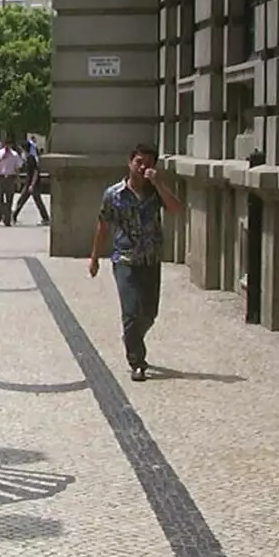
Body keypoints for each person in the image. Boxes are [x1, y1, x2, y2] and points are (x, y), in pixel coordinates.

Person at [89, 143, 184, 382]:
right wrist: (94, 258)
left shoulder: (156, 193)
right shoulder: (114, 194)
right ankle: (137, 361)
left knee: (149, 313)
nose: (143, 167)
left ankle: (132, 337)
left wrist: (159, 184)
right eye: (139, 162)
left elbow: (176, 209)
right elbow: (103, 226)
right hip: (125, 260)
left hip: (151, 259)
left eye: (148, 163)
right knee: (131, 311)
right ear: (130, 162)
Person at [14, 142, 51, 225]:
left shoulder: (31, 158)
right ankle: (13, 217)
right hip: (29, 183)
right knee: (22, 200)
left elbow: (35, 171)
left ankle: (46, 219)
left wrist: (32, 184)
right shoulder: (27, 158)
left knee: (37, 201)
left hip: (32, 184)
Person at [0, 136, 23, 226]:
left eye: (9, 144)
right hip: (0, 177)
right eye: (6, 144)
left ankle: (7, 219)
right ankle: (0, 213)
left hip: (10, 177)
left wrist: (18, 180)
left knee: (9, 199)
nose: (7, 146)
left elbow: (17, 168)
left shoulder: (15, 155)